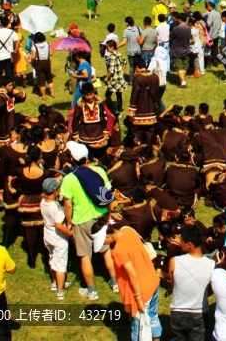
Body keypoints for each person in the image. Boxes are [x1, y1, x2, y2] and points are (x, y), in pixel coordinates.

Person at [61, 141, 116, 299]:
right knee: (106, 251)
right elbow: (108, 193)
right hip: (101, 215)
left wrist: (69, 222)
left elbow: (67, 203)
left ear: (72, 159)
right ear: (86, 158)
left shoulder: (69, 179)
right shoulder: (99, 171)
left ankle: (91, 291)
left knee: (85, 255)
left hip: (81, 219)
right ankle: (114, 282)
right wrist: (109, 213)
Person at [98, 220, 163, 341]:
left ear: (107, 236)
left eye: (103, 242)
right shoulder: (127, 230)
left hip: (141, 291)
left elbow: (132, 274)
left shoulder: (119, 251)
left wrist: (137, 298)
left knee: (138, 328)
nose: (104, 244)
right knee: (153, 316)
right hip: (153, 281)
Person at [166, 224, 215, 341]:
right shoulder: (211, 265)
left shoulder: (174, 262)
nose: (179, 242)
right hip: (200, 313)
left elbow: (174, 284)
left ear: (189, 245)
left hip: (178, 311)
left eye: (181, 240)